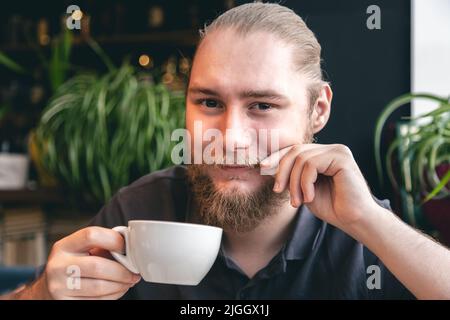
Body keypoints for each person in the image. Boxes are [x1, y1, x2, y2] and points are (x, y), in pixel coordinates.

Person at [4, 2, 450, 300]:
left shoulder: (363, 234)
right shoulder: (140, 208)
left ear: (318, 111)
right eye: (210, 103)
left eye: (262, 106)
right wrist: (44, 293)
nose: (231, 137)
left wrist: (369, 221)